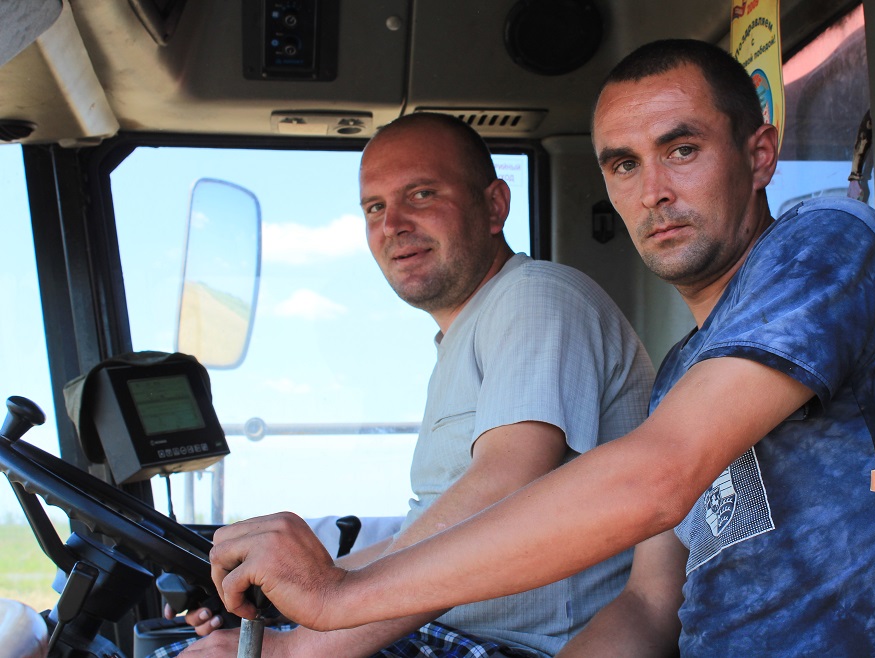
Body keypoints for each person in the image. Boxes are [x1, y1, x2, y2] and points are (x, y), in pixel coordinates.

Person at [202, 39, 875, 657]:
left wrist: (337, 603)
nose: (653, 192)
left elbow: (658, 477)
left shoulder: (829, 240)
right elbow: (646, 608)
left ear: (759, 156)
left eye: (682, 150)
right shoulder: (681, 376)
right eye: (624, 165)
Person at [169, 112, 655, 657]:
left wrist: (296, 649)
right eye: (374, 208)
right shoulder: (466, 333)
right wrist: (281, 598)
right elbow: (419, 539)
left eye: (421, 195)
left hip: (509, 646)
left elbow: (502, 487)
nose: (392, 224)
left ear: (495, 206)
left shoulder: (537, 297)